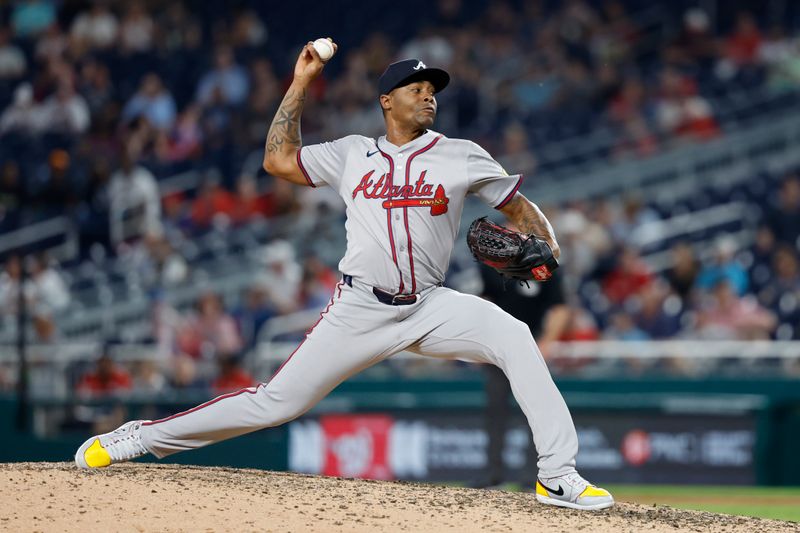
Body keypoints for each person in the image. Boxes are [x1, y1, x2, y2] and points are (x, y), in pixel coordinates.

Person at [75, 40, 614, 511]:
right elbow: (278, 160)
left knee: (515, 337)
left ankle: (556, 476)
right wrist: (301, 81)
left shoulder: (461, 155)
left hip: (429, 305)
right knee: (275, 403)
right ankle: (141, 437)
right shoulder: (352, 153)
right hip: (359, 308)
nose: (428, 94)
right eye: (415, 85)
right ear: (386, 100)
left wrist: (551, 246)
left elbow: (519, 206)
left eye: (433, 87)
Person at [472, 260, 570, 489]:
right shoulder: (493, 262)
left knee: (536, 415)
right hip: (497, 348)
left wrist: (547, 342)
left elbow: (560, 307)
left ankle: (534, 475)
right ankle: (492, 474)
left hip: (532, 346)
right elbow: (483, 302)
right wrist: (479, 339)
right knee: (496, 413)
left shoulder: (544, 263)